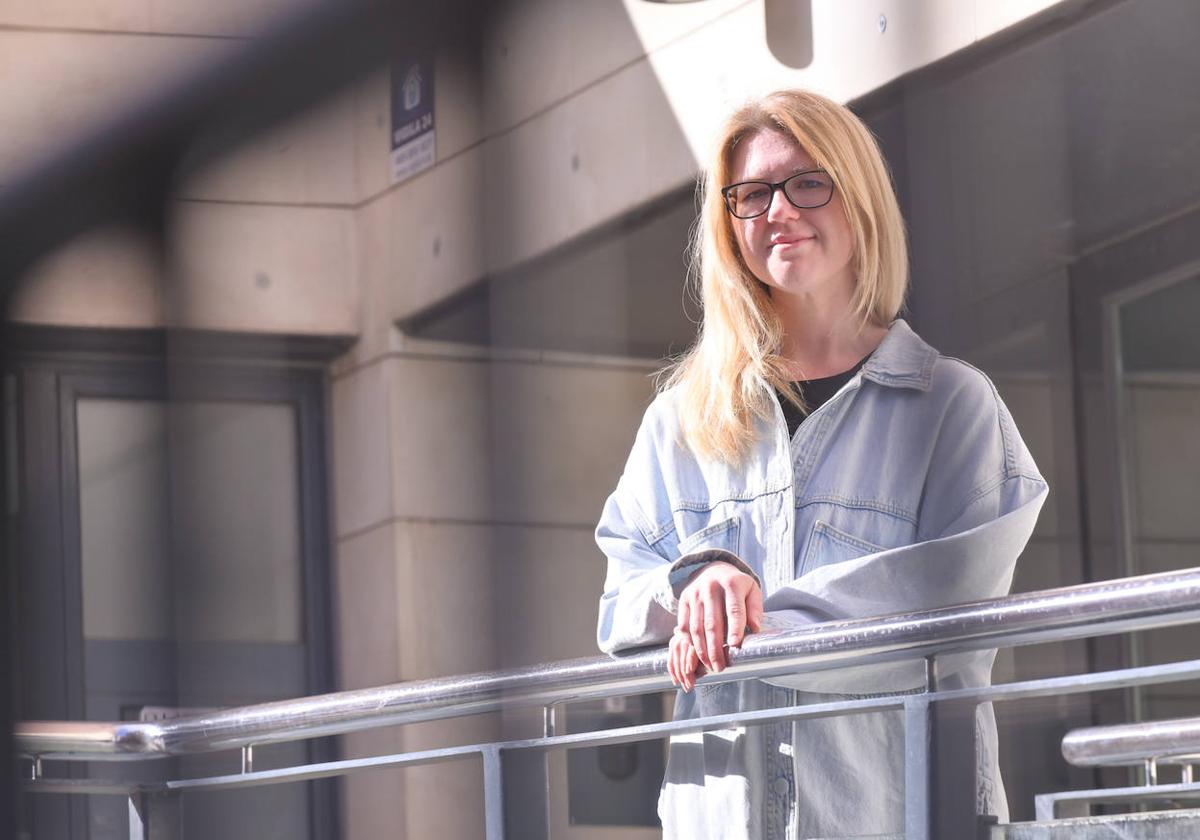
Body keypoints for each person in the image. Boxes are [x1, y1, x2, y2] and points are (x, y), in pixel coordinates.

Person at [594, 89, 1048, 840]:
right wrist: (695, 577)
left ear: (859, 198)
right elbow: (619, 604)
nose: (779, 209)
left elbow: (945, 611)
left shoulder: (951, 406)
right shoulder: (681, 424)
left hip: (899, 817)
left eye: (808, 181)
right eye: (751, 194)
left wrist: (740, 624)